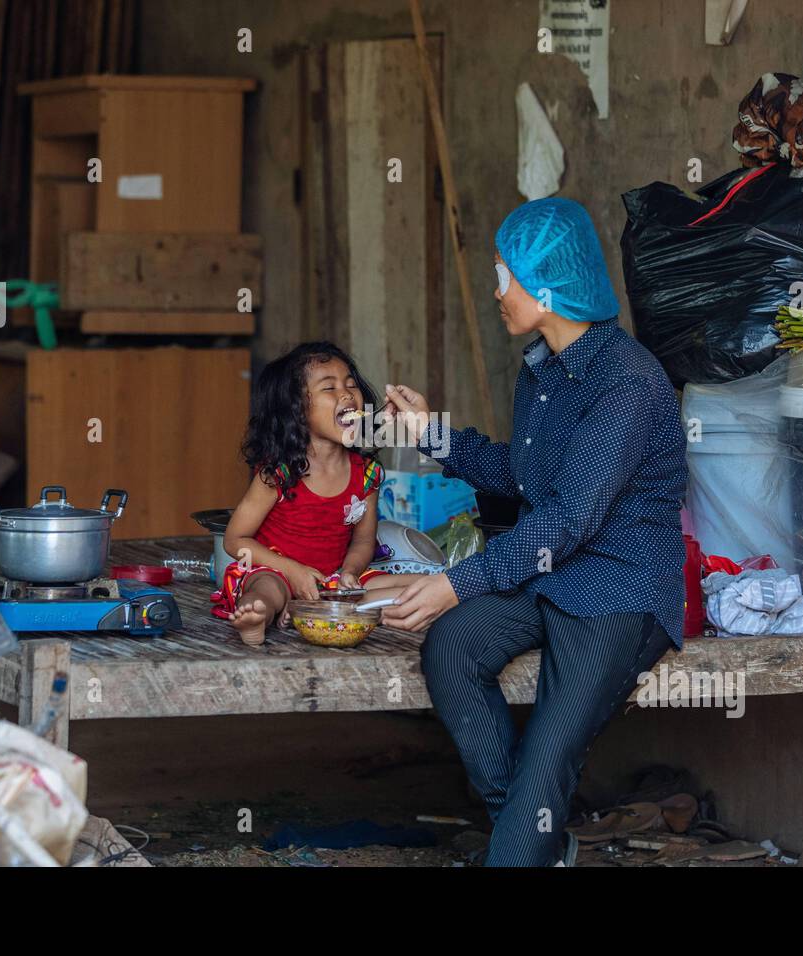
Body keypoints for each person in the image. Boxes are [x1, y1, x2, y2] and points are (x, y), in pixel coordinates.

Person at [381, 197, 688, 866]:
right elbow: (523, 478)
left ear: (546, 290)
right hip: (551, 572)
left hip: (619, 589)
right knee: (452, 649)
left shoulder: (627, 384)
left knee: (550, 755)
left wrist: (457, 582)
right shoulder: (542, 370)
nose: (497, 291)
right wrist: (436, 436)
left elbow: (571, 518)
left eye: (504, 276)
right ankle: (537, 841)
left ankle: (526, 837)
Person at [216, 342, 416, 646]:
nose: (347, 394)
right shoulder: (279, 474)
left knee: (417, 586)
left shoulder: (367, 474)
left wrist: (349, 572)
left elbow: (363, 540)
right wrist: (294, 572)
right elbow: (235, 540)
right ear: (296, 408)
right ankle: (257, 616)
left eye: (351, 384)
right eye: (329, 388)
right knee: (266, 589)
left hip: (334, 582)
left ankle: (321, 608)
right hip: (279, 572)